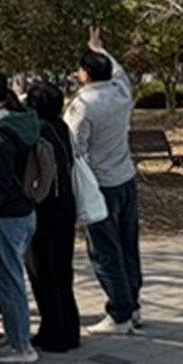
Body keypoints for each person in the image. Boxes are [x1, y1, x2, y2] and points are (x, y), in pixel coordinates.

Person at [65, 27, 142, 335]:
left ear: (85, 74)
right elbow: (120, 72)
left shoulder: (83, 106)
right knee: (128, 245)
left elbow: (74, 148)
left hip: (100, 186)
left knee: (105, 250)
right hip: (125, 178)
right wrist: (101, 48)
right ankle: (132, 305)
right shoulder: (122, 93)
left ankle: (119, 313)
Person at [0, 71, 41, 364]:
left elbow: (1, 181)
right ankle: (14, 335)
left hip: (6, 215)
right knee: (12, 277)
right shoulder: (23, 122)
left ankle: (21, 346)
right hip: (26, 210)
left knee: (9, 280)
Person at [25, 81, 80, 352]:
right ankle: (70, 329)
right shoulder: (62, 127)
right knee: (63, 271)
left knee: (43, 272)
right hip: (66, 205)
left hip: (45, 208)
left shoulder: (38, 130)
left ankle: (53, 333)